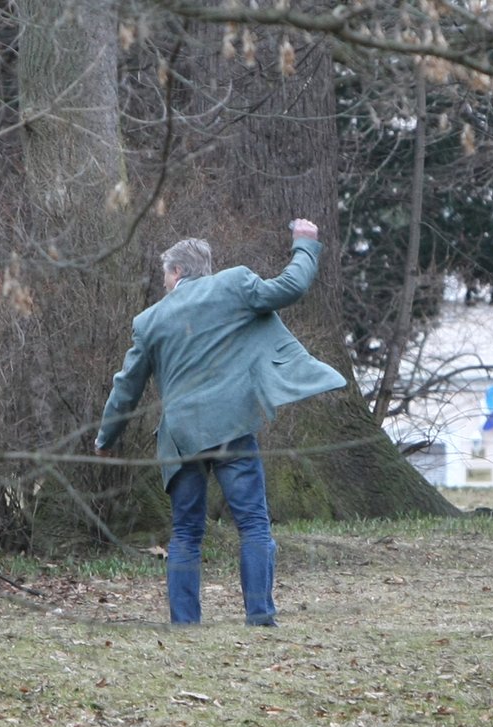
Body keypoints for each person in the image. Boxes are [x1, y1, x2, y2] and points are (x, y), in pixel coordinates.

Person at [94, 220, 345, 626]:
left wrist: (106, 438)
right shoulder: (234, 286)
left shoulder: (150, 320)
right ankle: (260, 616)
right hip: (232, 427)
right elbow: (290, 287)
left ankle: (185, 622)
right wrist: (304, 244)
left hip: (182, 437)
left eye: (165, 275)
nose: (163, 284)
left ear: (176, 272)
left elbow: (128, 387)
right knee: (253, 525)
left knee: (186, 532)